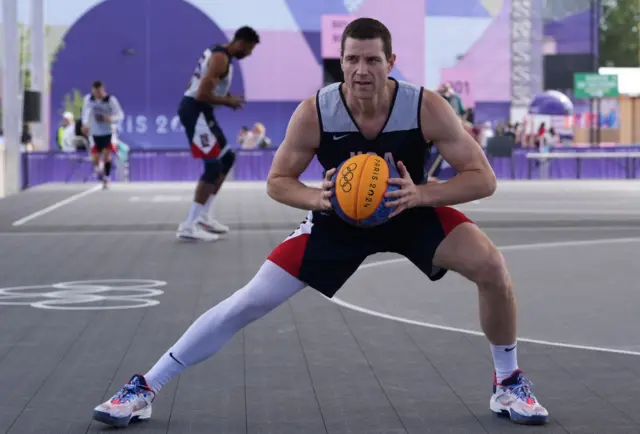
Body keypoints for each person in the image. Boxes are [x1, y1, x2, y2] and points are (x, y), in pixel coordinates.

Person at [92, 18, 548, 428]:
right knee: (246, 302)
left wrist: (421, 194)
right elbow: (278, 181)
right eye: (353, 59)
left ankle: (508, 382)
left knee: (492, 267)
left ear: (391, 62)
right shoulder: (316, 110)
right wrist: (319, 199)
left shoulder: (424, 106)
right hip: (338, 220)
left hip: (409, 210)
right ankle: (145, 388)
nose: (362, 70)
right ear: (342, 62)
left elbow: (482, 178)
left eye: (373, 60)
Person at [175, 26, 260, 241]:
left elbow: (201, 85)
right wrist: (227, 101)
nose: (249, 54)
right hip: (196, 111)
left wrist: (225, 97)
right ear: (240, 43)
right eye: (249, 49)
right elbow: (202, 94)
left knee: (227, 159)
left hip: (202, 111)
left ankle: (204, 215)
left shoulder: (219, 53)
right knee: (212, 166)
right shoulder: (220, 59)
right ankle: (188, 226)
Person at [81, 81, 124, 189]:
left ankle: (107, 178)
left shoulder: (110, 100)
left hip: (107, 132)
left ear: (103, 90)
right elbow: (85, 113)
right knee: (95, 158)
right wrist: (85, 125)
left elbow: (120, 115)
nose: (97, 94)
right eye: (95, 92)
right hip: (94, 133)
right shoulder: (88, 100)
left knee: (107, 155)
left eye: (99, 91)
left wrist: (110, 118)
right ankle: (98, 170)